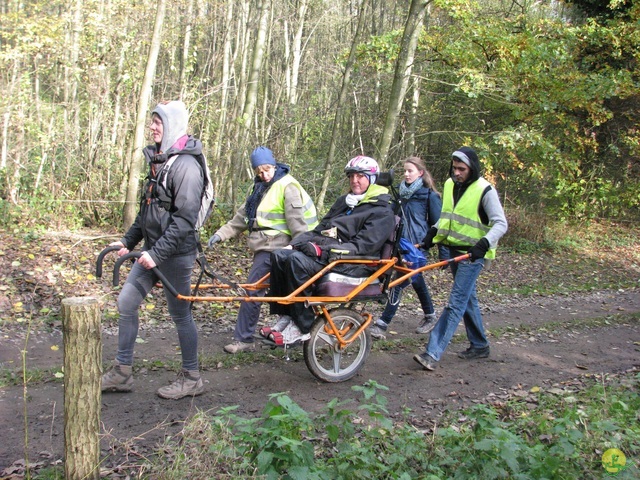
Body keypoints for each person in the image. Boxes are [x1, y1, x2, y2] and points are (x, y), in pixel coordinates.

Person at [101, 100, 206, 399]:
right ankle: (122, 372)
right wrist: (127, 241)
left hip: (176, 254)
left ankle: (192, 377)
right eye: (152, 122)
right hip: (152, 251)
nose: (152, 127)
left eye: (158, 122)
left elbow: (184, 221)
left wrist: (156, 255)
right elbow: (148, 211)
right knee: (126, 302)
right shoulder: (161, 160)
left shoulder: (185, 166)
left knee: (180, 314)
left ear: (172, 125)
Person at [262, 155, 397, 345]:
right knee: (279, 255)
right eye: (351, 176)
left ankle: (302, 326)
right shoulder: (345, 202)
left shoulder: (382, 211)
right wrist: (294, 244)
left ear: (372, 179)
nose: (354, 181)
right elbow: (319, 229)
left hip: (354, 263)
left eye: (360, 176)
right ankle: (287, 315)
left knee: (296, 261)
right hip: (331, 257)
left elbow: (362, 247)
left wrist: (321, 251)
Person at [207, 146, 318, 354]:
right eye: (259, 171)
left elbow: (299, 226)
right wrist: (221, 234)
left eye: (267, 169)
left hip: (277, 248)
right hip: (263, 246)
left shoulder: (287, 186)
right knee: (262, 291)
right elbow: (241, 218)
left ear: (275, 166)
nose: (264, 174)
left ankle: (244, 338)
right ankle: (283, 329)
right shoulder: (257, 189)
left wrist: (296, 249)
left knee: (252, 291)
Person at [413, 146, 508, 371]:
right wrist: (432, 234)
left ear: (472, 168)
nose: (457, 172)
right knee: (468, 299)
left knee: (455, 303)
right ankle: (480, 345)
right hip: (456, 252)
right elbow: (448, 217)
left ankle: (432, 353)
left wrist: (484, 244)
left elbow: (501, 223)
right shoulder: (450, 185)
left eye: (461, 169)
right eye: (454, 168)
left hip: (473, 255)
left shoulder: (485, 190)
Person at [369, 156, 444, 340]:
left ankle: (382, 324)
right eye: (405, 171)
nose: (406, 174)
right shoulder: (400, 195)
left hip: (418, 247)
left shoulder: (429, 196)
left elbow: (438, 224)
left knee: (398, 283)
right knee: (416, 280)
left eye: (410, 170)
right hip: (400, 246)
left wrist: (435, 246)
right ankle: (430, 315)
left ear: (420, 173)